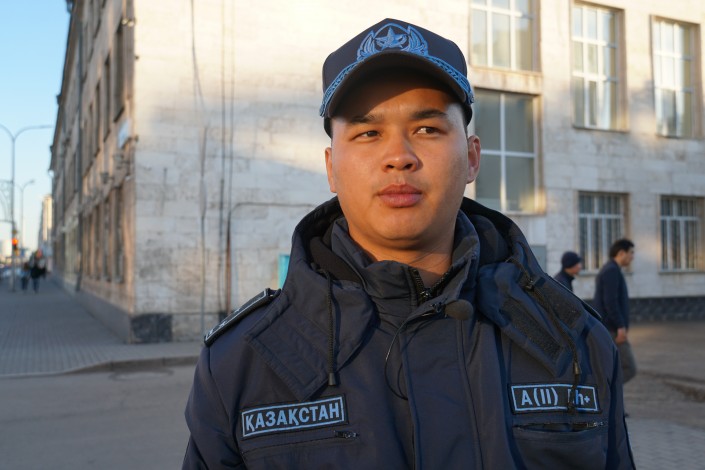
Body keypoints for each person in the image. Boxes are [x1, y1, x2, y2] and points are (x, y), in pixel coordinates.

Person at [183, 19, 634, 469]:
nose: (399, 156)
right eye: (368, 133)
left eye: (427, 129)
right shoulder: (242, 364)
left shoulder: (573, 341)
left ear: (472, 157)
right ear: (332, 168)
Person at [593, 238, 637, 384]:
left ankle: (606, 393)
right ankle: (605, 392)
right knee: (629, 367)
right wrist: (620, 326)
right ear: (621, 253)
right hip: (612, 329)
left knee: (611, 367)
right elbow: (610, 302)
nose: (632, 257)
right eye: (631, 253)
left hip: (611, 327)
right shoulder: (611, 271)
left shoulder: (612, 269)